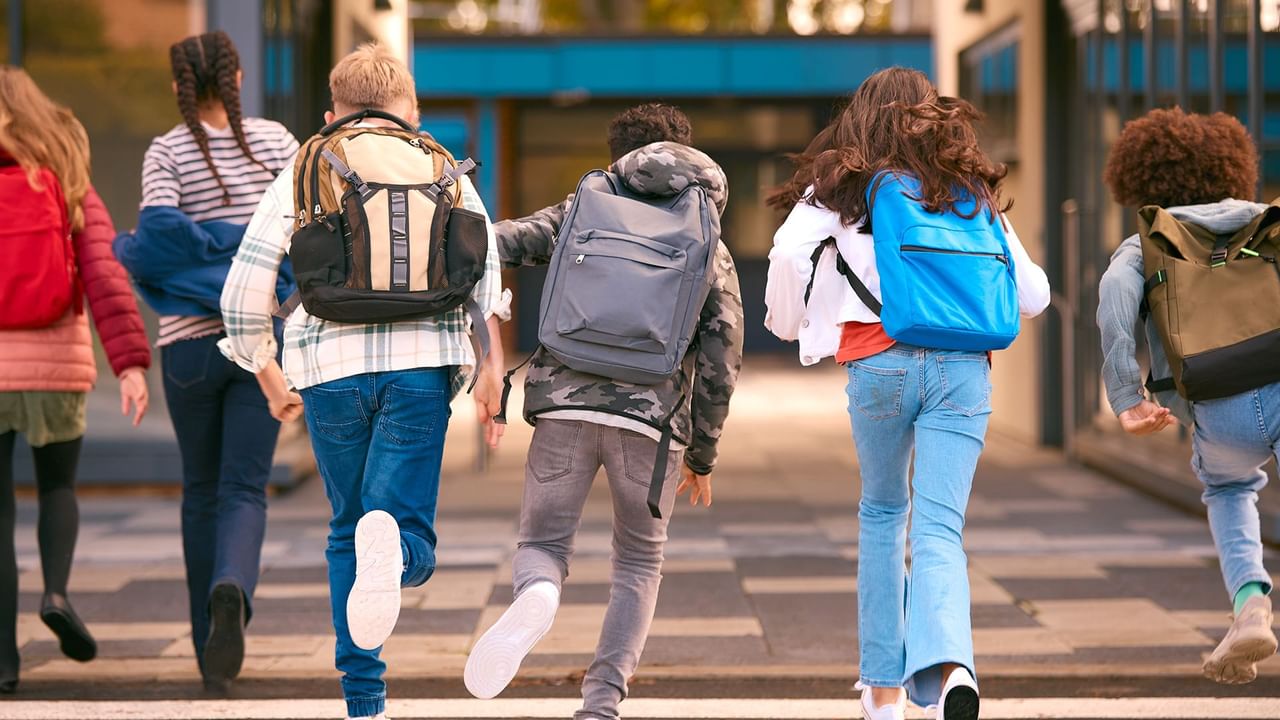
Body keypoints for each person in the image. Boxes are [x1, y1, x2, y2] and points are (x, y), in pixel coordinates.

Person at [219, 43, 506, 720]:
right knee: (405, 531)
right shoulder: (443, 166)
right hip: (420, 370)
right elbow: (486, 282)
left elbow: (240, 296)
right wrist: (490, 371)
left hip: (329, 375)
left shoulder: (307, 164)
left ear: (333, 109)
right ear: (410, 109)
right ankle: (402, 555)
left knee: (348, 527)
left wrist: (266, 371)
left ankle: (364, 699)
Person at [765, 68, 1050, 720]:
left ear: (859, 117)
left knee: (883, 515)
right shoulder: (967, 191)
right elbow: (1033, 294)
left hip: (878, 366)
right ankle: (953, 670)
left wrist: (788, 324)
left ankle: (884, 696)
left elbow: (785, 260)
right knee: (941, 530)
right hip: (963, 372)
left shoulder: (842, 187)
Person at [465, 103, 744, 720]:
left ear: (618, 154)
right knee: (640, 560)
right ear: (687, 151)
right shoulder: (708, 237)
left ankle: (538, 592)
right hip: (651, 426)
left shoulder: (583, 206)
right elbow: (724, 355)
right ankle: (601, 701)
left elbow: (501, 241)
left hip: (564, 406)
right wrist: (701, 453)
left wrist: (443, 227)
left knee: (542, 541)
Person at [114, 31, 299, 689]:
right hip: (261, 350)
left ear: (178, 88)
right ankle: (233, 587)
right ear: (239, 75)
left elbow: (157, 246)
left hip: (187, 345)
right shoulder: (279, 144)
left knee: (200, 490)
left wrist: (208, 249)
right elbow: (298, 242)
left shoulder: (165, 152)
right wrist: (244, 256)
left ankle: (206, 652)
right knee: (245, 486)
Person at [1098, 107, 1277, 684]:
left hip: (1216, 409)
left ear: (1140, 182)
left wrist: (1128, 397)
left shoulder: (1144, 243)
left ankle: (1250, 602)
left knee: (1228, 488)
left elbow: (1113, 303)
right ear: (1235, 169)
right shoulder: (1269, 222)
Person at [0, 66, 151, 693]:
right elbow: (104, 273)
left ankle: (3, 663)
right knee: (57, 488)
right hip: (57, 364)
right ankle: (56, 590)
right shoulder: (65, 173)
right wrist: (131, 362)